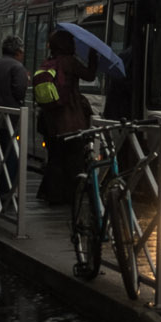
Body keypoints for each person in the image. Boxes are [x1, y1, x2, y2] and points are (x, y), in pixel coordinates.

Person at [34, 29, 98, 203]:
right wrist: (93, 55)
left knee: (55, 157)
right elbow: (90, 75)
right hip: (69, 119)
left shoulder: (49, 62)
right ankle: (69, 196)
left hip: (50, 119)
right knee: (73, 159)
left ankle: (50, 194)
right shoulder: (69, 62)